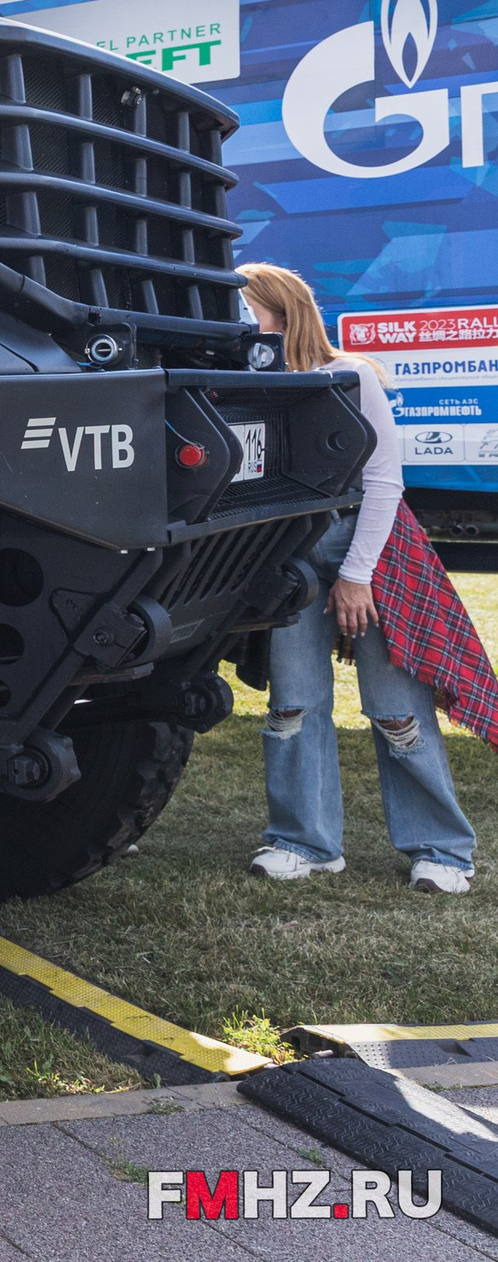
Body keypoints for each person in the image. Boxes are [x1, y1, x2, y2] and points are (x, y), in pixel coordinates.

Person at [238, 263, 481, 893]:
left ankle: (442, 851)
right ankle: (305, 842)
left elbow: (384, 484)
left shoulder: (348, 376)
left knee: (395, 706)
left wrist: (355, 577)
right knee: (291, 705)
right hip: (289, 551)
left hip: (363, 544)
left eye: (244, 308)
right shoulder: (239, 381)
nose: (237, 321)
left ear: (281, 312)